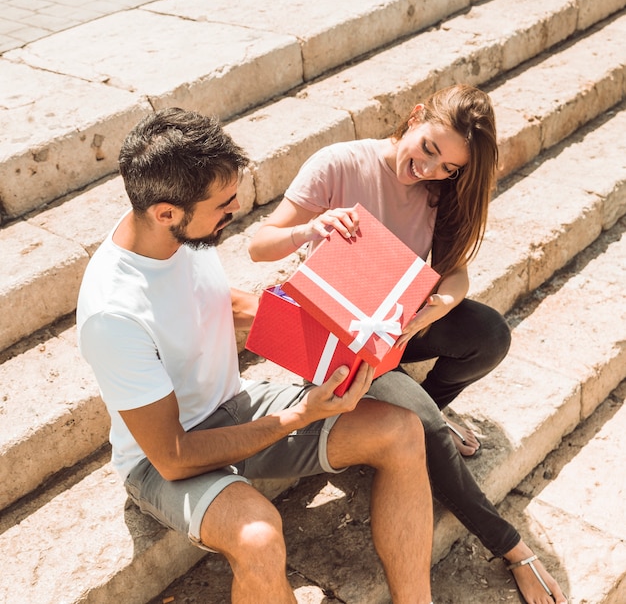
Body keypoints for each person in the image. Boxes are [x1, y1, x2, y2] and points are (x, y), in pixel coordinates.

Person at [76, 107, 435, 604]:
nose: (237, 207)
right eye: (224, 203)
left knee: (400, 430)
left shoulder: (175, 231)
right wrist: (301, 415)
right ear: (166, 212)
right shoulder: (113, 315)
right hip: (162, 461)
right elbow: (175, 457)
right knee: (260, 536)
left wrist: (355, 329)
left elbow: (226, 305)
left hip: (233, 403)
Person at [248, 84, 568, 603]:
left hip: (397, 331)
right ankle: (511, 547)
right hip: (335, 344)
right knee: (429, 438)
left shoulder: (438, 194)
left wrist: (435, 309)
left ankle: (429, 408)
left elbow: (456, 276)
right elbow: (259, 245)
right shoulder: (339, 163)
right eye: (429, 149)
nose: (428, 170)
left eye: (446, 167)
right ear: (415, 116)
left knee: (488, 334)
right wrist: (312, 228)